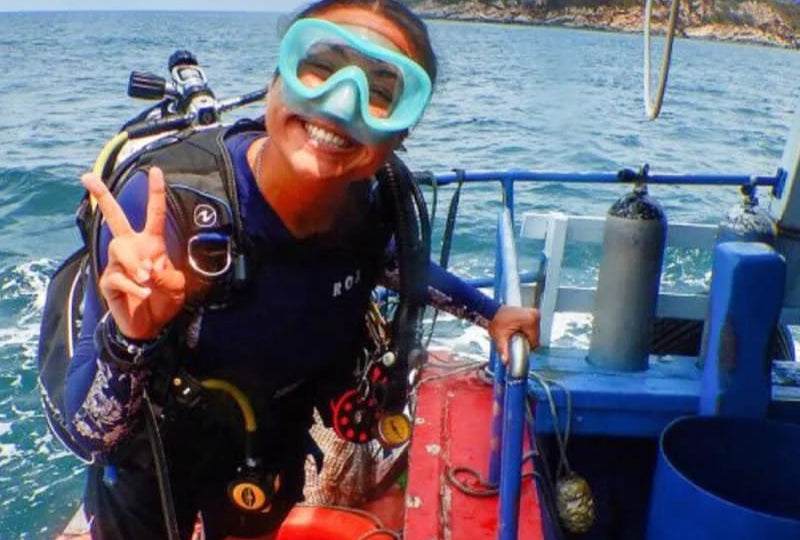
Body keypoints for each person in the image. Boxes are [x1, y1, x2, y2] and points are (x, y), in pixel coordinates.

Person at [62, 1, 539, 538]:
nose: (341, 105)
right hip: (151, 450)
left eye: (381, 92)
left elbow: (399, 265)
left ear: (402, 135)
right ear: (276, 83)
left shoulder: (374, 206)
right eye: (320, 68)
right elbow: (89, 435)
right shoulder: (164, 206)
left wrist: (491, 314)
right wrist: (133, 334)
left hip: (266, 444)